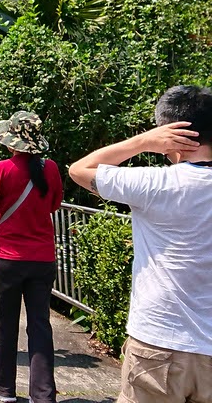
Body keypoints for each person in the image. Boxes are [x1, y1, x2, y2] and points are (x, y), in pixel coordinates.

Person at [68, 85, 212, 403]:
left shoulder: (154, 183)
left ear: (169, 132)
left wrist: (142, 141)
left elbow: (79, 170)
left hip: (158, 344)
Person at [0, 112, 63, 403]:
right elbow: (54, 204)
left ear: (11, 142)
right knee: (40, 324)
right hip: (42, 256)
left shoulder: (1, 169)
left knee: (5, 322)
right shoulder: (50, 169)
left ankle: (4, 388)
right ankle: (43, 393)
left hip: (9, 257)